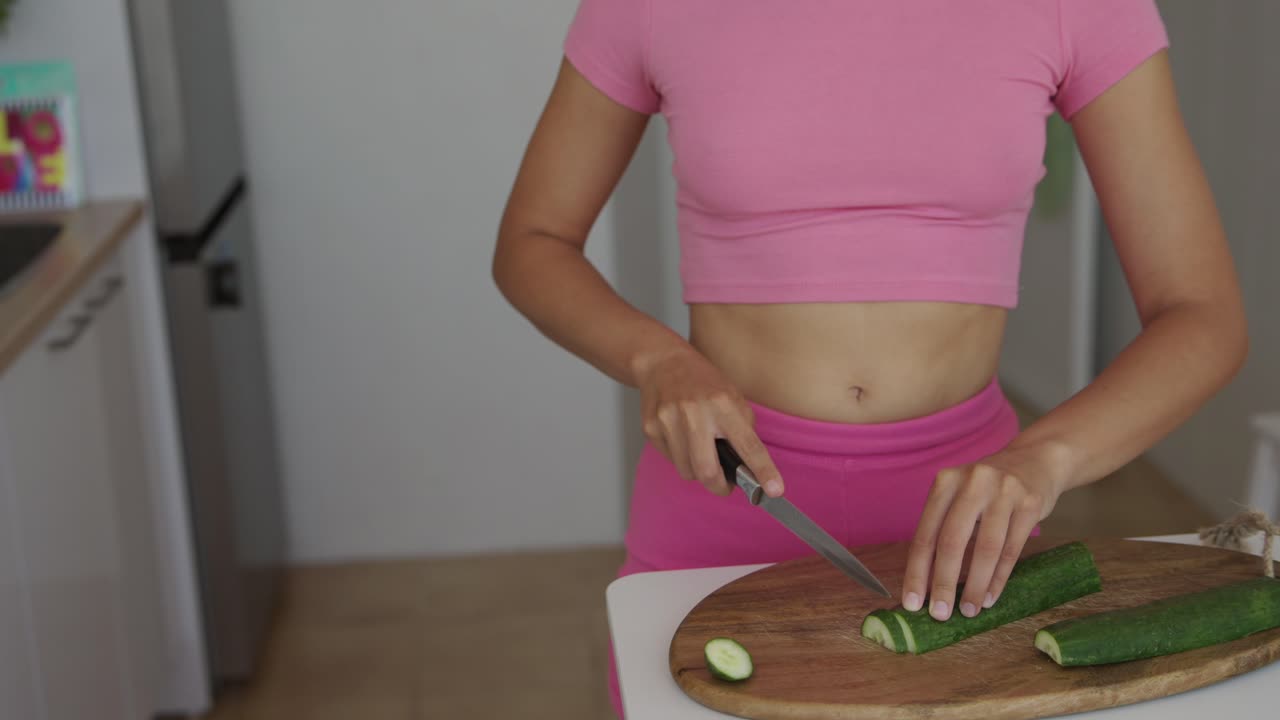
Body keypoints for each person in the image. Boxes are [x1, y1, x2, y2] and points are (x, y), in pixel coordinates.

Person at [492, 0, 1247, 715]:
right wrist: (658, 360)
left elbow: (1202, 315)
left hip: (963, 544)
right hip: (724, 501)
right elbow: (533, 241)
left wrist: (1043, 459)